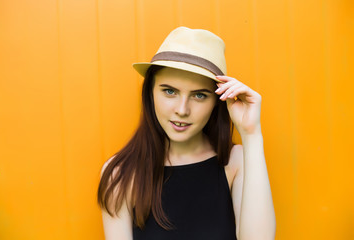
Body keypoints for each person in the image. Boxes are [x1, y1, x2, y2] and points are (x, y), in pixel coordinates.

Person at [97, 26, 276, 240]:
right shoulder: (120, 174)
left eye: (199, 95)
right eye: (169, 91)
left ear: (217, 102)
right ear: (150, 93)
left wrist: (251, 134)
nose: (182, 110)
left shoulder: (236, 162)